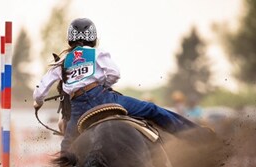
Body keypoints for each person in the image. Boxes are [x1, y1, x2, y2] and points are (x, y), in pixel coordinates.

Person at [33, 18, 201, 152]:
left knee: (66, 150)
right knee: (151, 109)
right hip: (103, 97)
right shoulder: (97, 53)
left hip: (78, 108)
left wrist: (38, 102)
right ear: (93, 38)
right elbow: (115, 73)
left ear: (70, 39)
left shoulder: (62, 61)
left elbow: (41, 90)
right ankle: (194, 134)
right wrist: (103, 84)